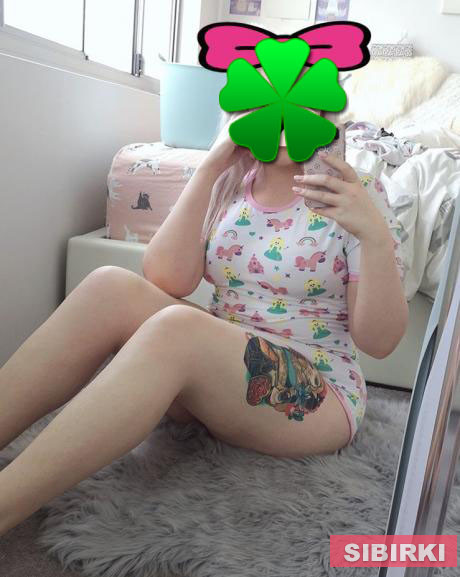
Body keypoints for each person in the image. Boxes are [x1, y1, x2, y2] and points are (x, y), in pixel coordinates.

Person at [0, 111, 409, 537]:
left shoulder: (355, 191)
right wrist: (211, 167)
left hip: (313, 393)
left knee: (177, 328)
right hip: (221, 373)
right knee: (109, 286)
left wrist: (373, 235)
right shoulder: (230, 181)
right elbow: (168, 279)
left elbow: (379, 342)